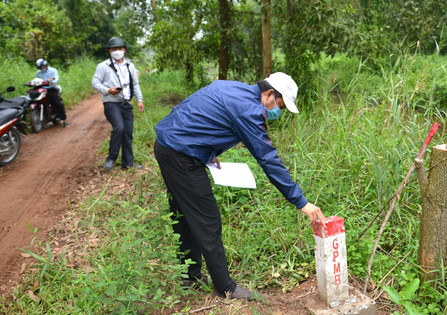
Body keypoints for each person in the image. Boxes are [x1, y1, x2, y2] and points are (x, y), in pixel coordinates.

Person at [154, 72, 326, 300]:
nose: (278, 111)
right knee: (208, 221)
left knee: (185, 216)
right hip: (180, 156)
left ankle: (190, 277)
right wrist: (301, 202)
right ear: (269, 94)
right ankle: (226, 287)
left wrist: (207, 150)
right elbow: (268, 159)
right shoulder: (249, 110)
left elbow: (195, 113)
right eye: (280, 105)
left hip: (169, 145)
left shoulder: (231, 88)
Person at [91, 36, 144, 170]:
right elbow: (95, 83)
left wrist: (139, 100)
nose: (117, 51)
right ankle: (111, 159)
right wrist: (107, 90)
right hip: (111, 102)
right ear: (109, 51)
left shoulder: (130, 65)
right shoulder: (103, 66)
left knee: (128, 132)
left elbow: (135, 84)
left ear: (124, 50)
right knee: (119, 128)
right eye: (114, 49)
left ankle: (128, 163)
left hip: (126, 102)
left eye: (119, 49)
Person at [35, 59, 68, 127]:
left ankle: (64, 120)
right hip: (42, 90)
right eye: (40, 68)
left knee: (57, 103)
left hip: (51, 89)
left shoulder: (53, 70)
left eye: (42, 67)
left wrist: (53, 82)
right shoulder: (38, 73)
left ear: (45, 65)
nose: (41, 69)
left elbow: (56, 78)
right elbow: (37, 80)